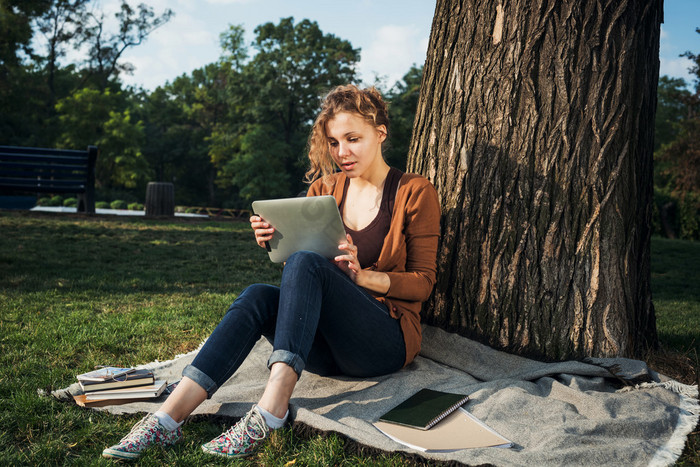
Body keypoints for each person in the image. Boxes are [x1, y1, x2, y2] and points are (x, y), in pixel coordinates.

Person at [101, 84, 441, 461]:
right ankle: (168, 418)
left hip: (383, 342)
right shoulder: (324, 188)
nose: (341, 153)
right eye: (333, 142)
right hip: (327, 348)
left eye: (352, 139)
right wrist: (273, 238)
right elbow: (301, 270)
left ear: (380, 133)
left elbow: (424, 283)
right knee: (257, 295)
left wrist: (363, 277)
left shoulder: (415, 191)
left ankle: (270, 410)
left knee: (306, 262)